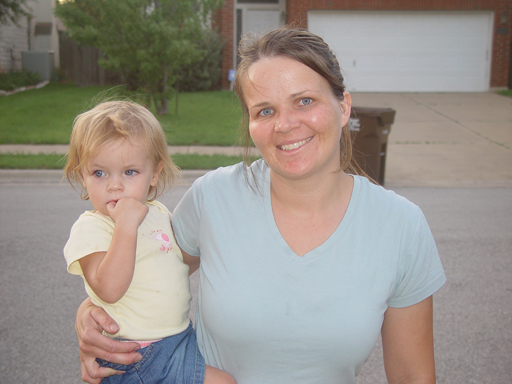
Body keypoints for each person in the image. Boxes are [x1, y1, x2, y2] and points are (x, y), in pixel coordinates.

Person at [74, 27, 446, 384]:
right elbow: (147, 270)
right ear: (250, 123)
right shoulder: (213, 197)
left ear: (344, 106)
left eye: (304, 101)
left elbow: (413, 376)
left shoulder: (400, 225)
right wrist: (89, 314)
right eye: (265, 110)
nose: (285, 124)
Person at [63, 101, 236, 384]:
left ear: (154, 173)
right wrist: (126, 225)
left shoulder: (157, 213)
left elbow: (172, 264)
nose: (114, 185)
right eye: (99, 173)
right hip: (133, 353)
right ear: (83, 175)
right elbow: (108, 289)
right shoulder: (91, 227)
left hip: (179, 339)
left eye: (130, 172)